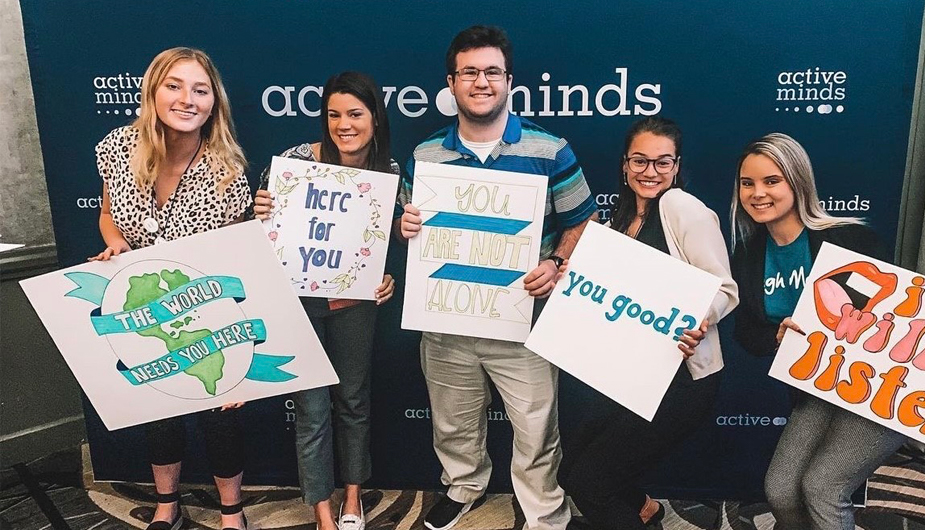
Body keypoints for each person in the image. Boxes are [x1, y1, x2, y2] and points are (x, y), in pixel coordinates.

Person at [394, 25, 598, 530]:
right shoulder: (424, 155)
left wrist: (556, 264)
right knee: (451, 422)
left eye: (491, 72)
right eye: (469, 72)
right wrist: (405, 226)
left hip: (522, 321)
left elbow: (583, 220)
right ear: (451, 82)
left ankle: (543, 509)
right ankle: (463, 486)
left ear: (509, 80)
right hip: (445, 322)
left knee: (535, 427)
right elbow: (408, 223)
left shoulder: (551, 149)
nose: (480, 82)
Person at [91, 47, 252, 530]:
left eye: (200, 90)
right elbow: (105, 214)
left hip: (207, 312)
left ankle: (232, 511)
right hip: (143, 308)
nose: (187, 99)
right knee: (157, 408)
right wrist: (116, 244)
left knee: (221, 411)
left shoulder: (227, 169)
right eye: (175, 86)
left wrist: (238, 339)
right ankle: (167, 505)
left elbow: (240, 259)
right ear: (153, 91)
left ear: (213, 103)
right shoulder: (117, 148)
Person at [557, 117, 739, 530]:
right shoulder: (620, 220)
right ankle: (645, 511)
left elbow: (725, 288)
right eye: (640, 161)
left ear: (676, 167)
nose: (650, 172)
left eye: (662, 162)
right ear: (625, 165)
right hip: (635, 377)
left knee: (592, 482)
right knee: (572, 472)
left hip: (682, 381)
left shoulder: (680, 208)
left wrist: (701, 317)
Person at [729, 133, 906, 529]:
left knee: (822, 487)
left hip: (880, 390)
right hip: (818, 389)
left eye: (772, 181)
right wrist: (776, 337)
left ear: (797, 182)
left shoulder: (850, 239)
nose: (758, 193)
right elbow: (747, 333)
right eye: (748, 183)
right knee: (780, 490)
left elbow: (902, 318)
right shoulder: (749, 252)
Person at [251, 71, 396, 530]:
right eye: (334, 114)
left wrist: (385, 278)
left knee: (353, 401)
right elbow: (260, 228)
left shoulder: (389, 173)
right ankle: (322, 511)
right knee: (311, 411)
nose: (344, 124)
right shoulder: (295, 161)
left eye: (355, 113)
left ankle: (353, 495)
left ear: (375, 117)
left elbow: (389, 243)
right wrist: (261, 211)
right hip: (299, 306)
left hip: (355, 307)